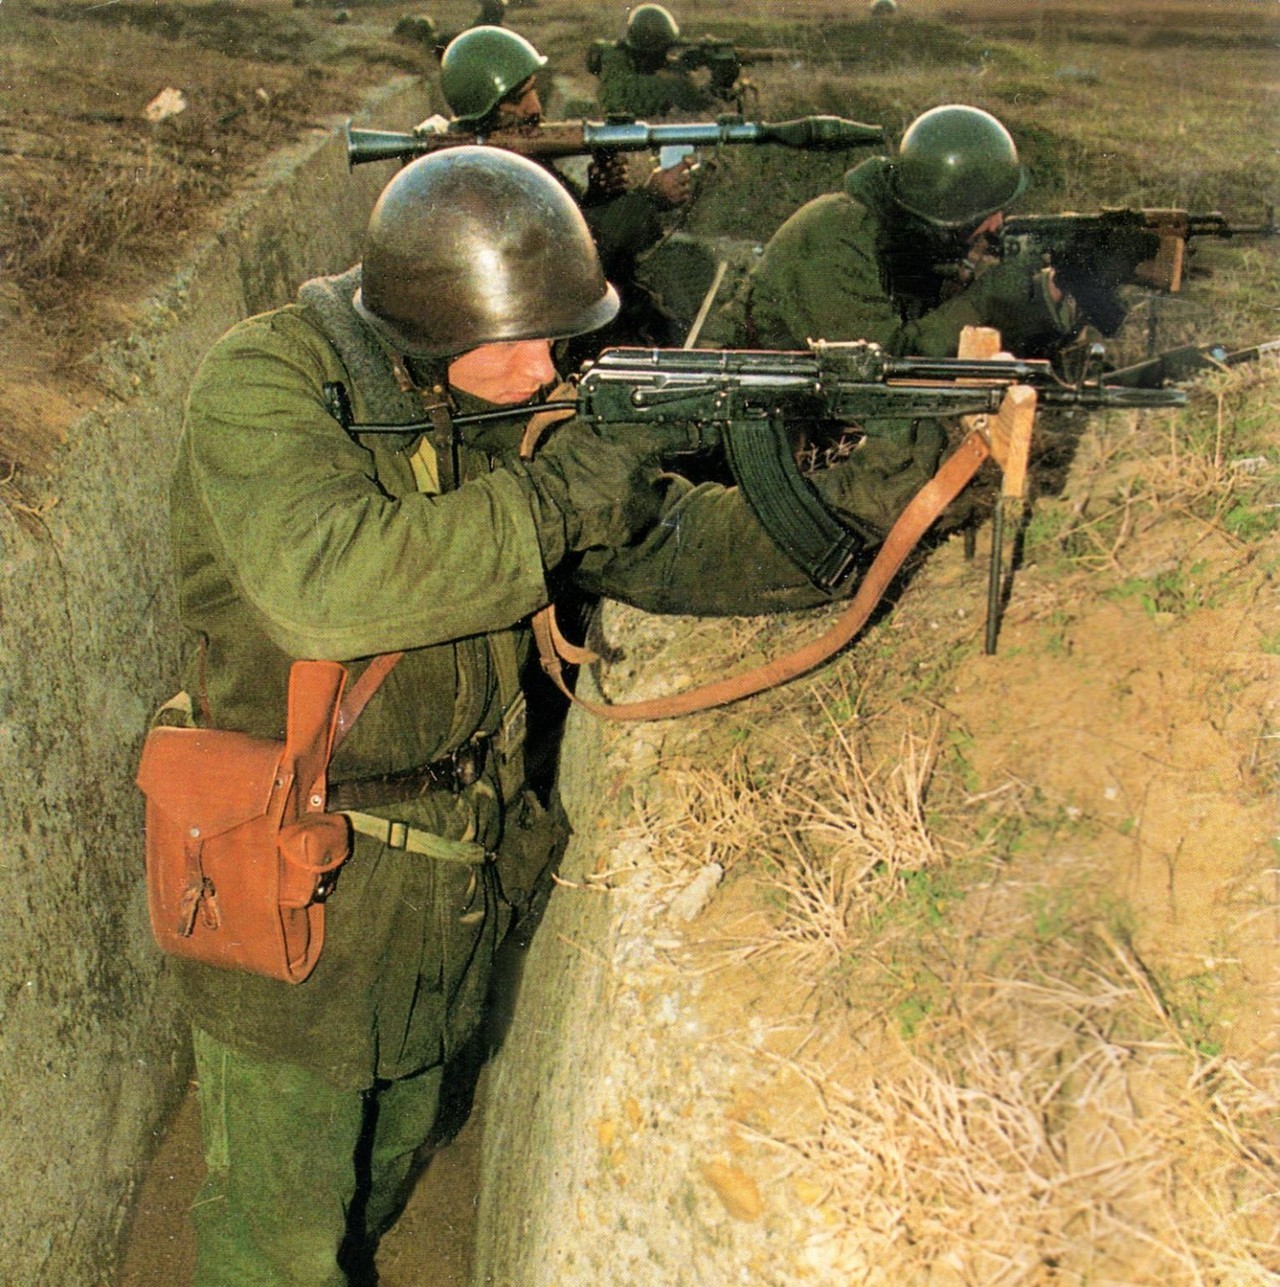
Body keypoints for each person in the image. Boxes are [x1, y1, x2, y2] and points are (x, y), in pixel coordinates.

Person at [166, 145, 945, 1285]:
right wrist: (576, 482)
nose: (545, 370)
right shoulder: (265, 384)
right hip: (295, 871)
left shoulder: (481, 391)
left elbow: (655, 543)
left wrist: (864, 516)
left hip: (448, 881)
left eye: (557, 341)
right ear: (429, 320)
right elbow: (323, 586)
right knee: (278, 1236)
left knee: (394, 1156)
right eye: (520, 342)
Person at [743, 104, 1081, 360]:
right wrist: (988, 300)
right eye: (987, 214)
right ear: (946, 217)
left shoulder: (909, 236)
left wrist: (1045, 298)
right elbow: (883, 367)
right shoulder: (834, 239)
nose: (997, 225)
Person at [434, 24, 694, 353]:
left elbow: (567, 227)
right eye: (518, 99)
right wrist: (650, 200)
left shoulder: (503, 161)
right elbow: (574, 257)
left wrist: (601, 196)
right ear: (484, 108)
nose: (534, 108)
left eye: (533, 91)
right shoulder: (485, 174)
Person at [589, 2, 741, 119]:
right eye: (664, 50)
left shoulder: (619, 60)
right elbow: (702, 104)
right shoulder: (615, 67)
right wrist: (683, 78)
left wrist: (683, 65)